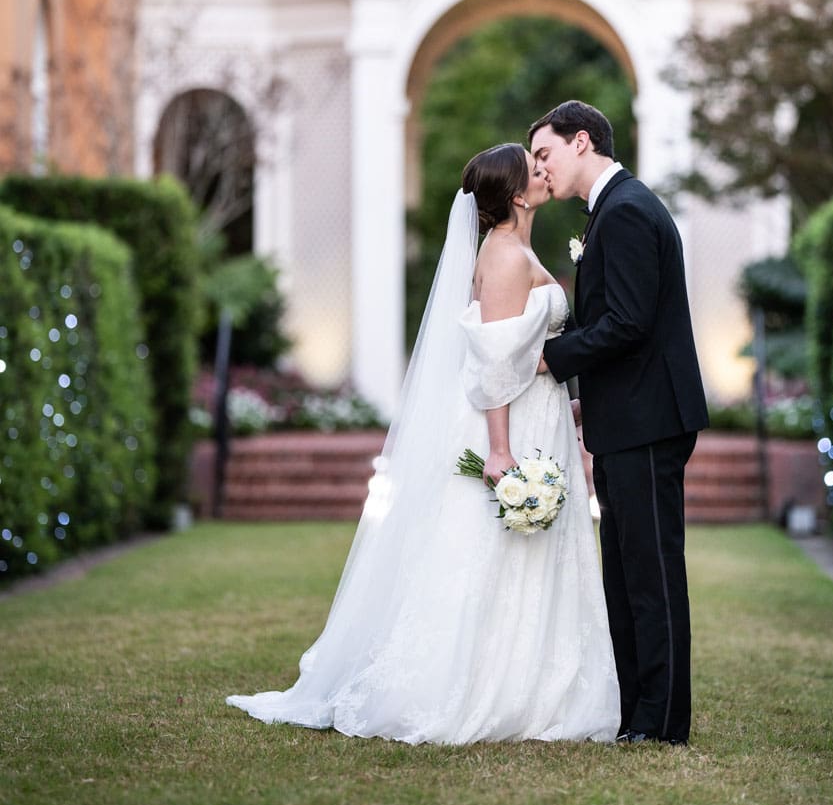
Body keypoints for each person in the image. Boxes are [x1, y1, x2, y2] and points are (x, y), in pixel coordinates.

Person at [226, 143, 619, 744]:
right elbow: (494, 366)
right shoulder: (507, 257)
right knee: (497, 552)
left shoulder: (512, 249)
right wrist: (499, 451)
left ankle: (536, 680)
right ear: (516, 193)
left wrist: (561, 406)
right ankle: (491, 685)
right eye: (533, 165)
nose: (544, 171)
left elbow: (518, 361)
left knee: (518, 555)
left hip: (539, 420)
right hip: (509, 430)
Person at [529, 101, 709, 746]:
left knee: (652, 572)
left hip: (648, 419)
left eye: (545, 153)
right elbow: (621, 321)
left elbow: (627, 324)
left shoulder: (628, 211)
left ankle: (660, 723)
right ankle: (637, 714)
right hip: (627, 413)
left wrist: (550, 359)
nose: (539, 169)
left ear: (583, 142)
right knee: (627, 570)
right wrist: (588, 398)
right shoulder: (614, 208)